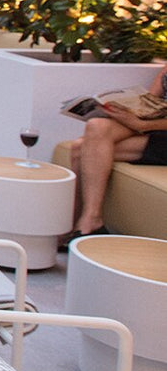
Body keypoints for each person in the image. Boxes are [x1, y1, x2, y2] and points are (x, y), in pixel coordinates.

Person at [62, 66, 167, 242]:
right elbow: (150, 101)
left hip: (159, 131)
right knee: (96, 126)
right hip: (156, 125)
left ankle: (79, 225)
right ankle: (84, 222)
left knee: (81, 149)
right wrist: (125, 110)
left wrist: (143, 126)